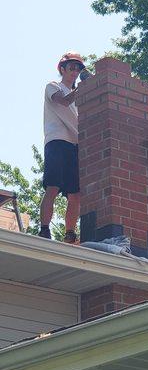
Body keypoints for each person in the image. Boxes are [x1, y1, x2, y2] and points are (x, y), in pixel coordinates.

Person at [38, 51, 85, 244]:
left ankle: (70, 233)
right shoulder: (53, 86)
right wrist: (82, 88)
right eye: (72, 67)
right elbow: (63, 101)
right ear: (62, 69)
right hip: (57, 141)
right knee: (53, 186)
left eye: (79, 68)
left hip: (74, 145)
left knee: (75, 193)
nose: (75, 71)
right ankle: (44, 229)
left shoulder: (78, 100)